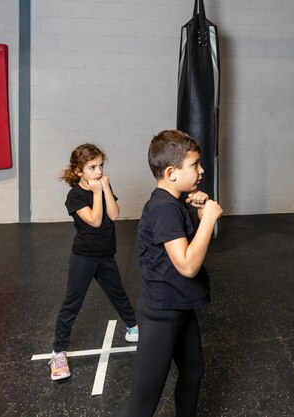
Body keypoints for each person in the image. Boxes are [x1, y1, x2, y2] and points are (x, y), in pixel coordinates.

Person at [115, 130, 223, 417]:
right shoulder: (163, 209)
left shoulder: (175, 203)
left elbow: (190, 247)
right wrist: (209, 219)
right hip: (162, 313)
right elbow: (187, 265)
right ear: (172, 172)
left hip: (181, 307)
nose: (201, 171)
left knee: (193, 373)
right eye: (195, 165)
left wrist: (200, 216)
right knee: (142, 404)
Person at [50, 144, 138, 381]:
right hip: (84, 257)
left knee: (118, 292)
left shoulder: (102, 185)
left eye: (100, 166)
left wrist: (105, 188)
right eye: (92, 167)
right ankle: (58, 352)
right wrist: (97, 192)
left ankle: (133, 327)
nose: (98, 171)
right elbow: (96, 221)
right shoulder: (75, 196)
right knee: (72, 302)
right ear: (79, 171)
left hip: (106, 254)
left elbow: (114, 215)